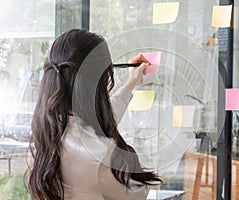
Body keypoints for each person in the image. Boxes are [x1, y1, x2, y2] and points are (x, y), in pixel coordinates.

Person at [26, 29, 161, 200]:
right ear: (99, 83)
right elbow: (136, 193)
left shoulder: (45, 130)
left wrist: (131, 82)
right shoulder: (99, 153)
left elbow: (94, 124)